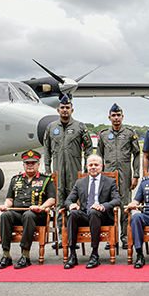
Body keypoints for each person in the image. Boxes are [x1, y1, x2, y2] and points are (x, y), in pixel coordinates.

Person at [43, 94, 94, 249]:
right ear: (58, 109)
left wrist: (86, 168)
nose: (65, 110)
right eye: (62, 108)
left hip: (74, 173)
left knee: (75, 205)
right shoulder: (51, 127)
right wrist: (47, 170)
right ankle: (60, 237)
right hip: (57, 173)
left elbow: (89, 147)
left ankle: (74, 236)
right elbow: (47, 150)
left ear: (72, 110)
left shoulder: (79, 127)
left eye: (68, 108)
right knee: (59, 204)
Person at [0, 150, 56, 269]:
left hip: (37, 215)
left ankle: (25, 255)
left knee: (28, 215)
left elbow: (51, 200)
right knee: (5, 215)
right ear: (24, 165)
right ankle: (6, 255)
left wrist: (41, 207)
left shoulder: (46, 179)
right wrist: (5, 206)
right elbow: (9, 199)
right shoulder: (15, 179)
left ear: (38, 164)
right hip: (17, 213)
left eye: (33, 163)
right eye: (27, 163)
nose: (30, 165)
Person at [62, 154, 120, 269]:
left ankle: (94, 254)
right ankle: (72, 254)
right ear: (87, 166)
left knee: (94, 212)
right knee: (73, 213)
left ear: (101, 166)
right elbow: (68, 200)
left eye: (96, 165)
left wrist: (102, 206)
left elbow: (117, 200)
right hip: (85, 214)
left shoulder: (110, 182)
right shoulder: (80, 182)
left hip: (102, 215)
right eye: (90, 165)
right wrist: (71, 205)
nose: (93, 167)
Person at [97, 103, 140, 250]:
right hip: (108, 175)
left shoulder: (129, 133)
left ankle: (124, 237)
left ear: (122, 117)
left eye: (118, 115)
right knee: (109, 207)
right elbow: (99, 156)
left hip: (125, 173)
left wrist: (136, 175)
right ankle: (112, 237)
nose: (116, 118)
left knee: (125, 206)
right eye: (113, 116)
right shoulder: (103, 135)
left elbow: (137, 154)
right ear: (109, 117)